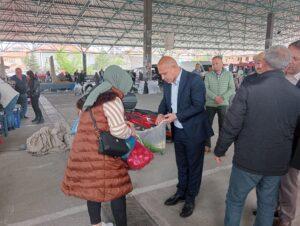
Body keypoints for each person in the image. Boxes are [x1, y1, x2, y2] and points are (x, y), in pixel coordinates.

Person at [214, 45, 300, 226]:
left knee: (235, 200)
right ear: (285, 66)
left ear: (266, 62)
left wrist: (220, 149)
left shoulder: (249, 86)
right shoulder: (296, 94)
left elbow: (232, 123)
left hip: (247, 161)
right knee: (267, 205)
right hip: (277, 163)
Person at [61, 65, 135, 226]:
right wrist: (130, 130)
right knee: (117, 191)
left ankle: (96, 224)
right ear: (119, 82)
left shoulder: (92, 96)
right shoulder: (112, 99)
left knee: (92, 189)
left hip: (84, 151)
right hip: (102, 153)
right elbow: (118, 131)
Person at [155, 56, 213, 218]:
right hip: (178, 131)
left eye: (164, 73)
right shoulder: (167, 83)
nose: (162, 77)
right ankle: (181, 192)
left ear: (174, 67)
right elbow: (165, 101)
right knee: (181, 163)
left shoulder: (194, 80)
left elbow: (198, 105)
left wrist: (177, 116)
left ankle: (190, 198)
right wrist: (160, 113)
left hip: (194, 131)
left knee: (194, 166)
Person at [277, 40, 300, 226]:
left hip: (293, 147)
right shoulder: (277, 77)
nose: (291, 61)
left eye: (296, 59)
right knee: (273, 180)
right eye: (288, 57)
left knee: (288, 185)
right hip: (273, 141)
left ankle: (286, 220)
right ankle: (275, 209)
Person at [204, 56, 235, 153]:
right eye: (213, 64)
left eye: (217, 63)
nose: (214, 65)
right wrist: (215, 97)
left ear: (222, 64)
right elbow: (205, 89)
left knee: (223, 126)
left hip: (223, 104)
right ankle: (207, 145)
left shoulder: (229, 74)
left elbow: (232, 89)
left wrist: (222, 97)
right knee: (207, 125)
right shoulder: (208, 75)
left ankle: (220, 148)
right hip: (210, 104)